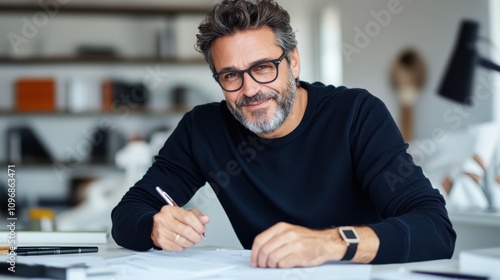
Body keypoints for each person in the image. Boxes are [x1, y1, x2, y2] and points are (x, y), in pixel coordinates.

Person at [111, 0, 456, 268]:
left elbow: (435, 229)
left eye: (263, 67)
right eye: (231, 75)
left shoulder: (356, 115)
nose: (250, 90)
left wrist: (328, 244)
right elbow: (128, 212)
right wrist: (154, 226)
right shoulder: (204, 129)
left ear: (293, 62)